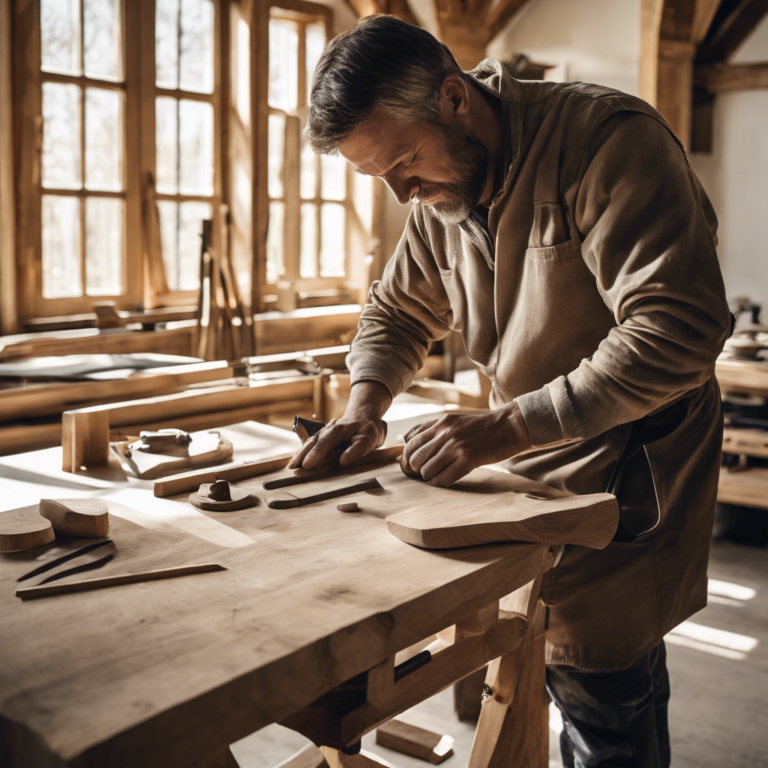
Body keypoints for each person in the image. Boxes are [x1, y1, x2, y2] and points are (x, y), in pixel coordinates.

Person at [289, 15, 731, 768]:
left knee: (604, 687)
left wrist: (500, 430)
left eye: (403, 163)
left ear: (455, 99)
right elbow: (398, 310)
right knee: (531, 663)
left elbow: (678, 330)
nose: (403, 194)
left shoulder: (606, 142)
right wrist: (365, 406)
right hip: (525, 459)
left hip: (629, 463)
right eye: (380, 180)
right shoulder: (436, 191)